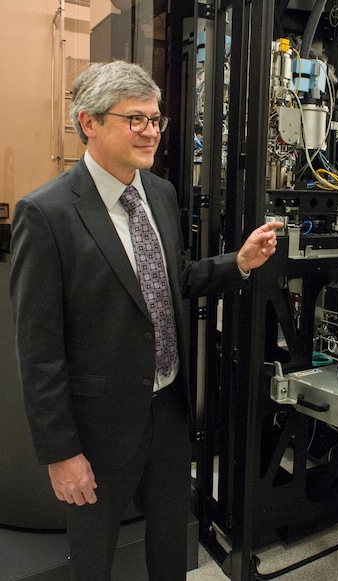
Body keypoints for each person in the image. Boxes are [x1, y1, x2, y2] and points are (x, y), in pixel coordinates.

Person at [10, 61, 283, 581]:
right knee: (93, 558)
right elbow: (38, 349)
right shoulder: (46, 214)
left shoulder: (160, 194)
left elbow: (170, 281)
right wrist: (61, 451)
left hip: (168, 408)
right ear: (89, 123)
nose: (151, 131)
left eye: (156, 119)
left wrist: (238, 263)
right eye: (135, 119)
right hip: (97, 426)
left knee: (169, 547)